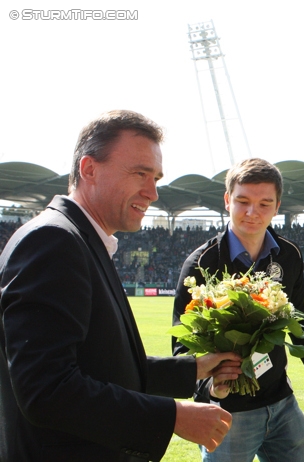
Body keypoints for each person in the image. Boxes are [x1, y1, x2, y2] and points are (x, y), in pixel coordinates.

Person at [0, 110, 239, 461]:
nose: (153, 192)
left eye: (156, 177)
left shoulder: (82, 240)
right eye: (140, 173)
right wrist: (171, 416)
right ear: (89, 169)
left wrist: (195, 367)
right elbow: (47, 389)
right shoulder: (54, 241)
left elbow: (105, 367)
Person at [173, 158, 304, 462]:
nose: (252, 212)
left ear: (277, 206)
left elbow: (299, 320)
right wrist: (213, 387)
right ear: (227, 201)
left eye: (264, 203)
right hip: (229, 413)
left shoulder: (288, 255)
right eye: (243, 201)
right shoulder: (202, 263)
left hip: (281, 402)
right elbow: (181, 345)